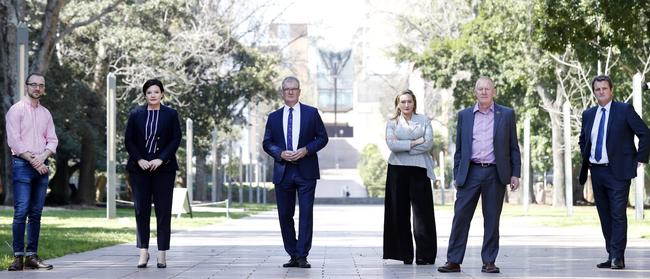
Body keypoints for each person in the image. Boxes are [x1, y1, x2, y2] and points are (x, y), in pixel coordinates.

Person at [438, 76, 520, 274]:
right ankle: (454, 260)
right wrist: (457, 174)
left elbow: (513, 146)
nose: (484, 92)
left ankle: (489, 261)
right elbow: (459, 149)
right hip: (470, 172)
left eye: (487, 88)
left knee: (492, 219)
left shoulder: (506, 114)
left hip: (495, 173)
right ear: (475, 92)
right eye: (480, 89)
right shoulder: (464, 115)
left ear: (494, 92)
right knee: (460, 217)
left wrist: (515, 173)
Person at [578, 75, 650, 270]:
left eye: (604, 88)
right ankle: (612, 254)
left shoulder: (624, 110)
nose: (601, 92)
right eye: (597, 89)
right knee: (605, 215)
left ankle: (617, 257)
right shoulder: (589, 114)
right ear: (594, 92)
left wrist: (639, 159)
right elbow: (583, 139)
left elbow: (645, 133)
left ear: (611, 90)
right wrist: (588, 157)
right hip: (597, 172)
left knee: (617, 214)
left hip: (618, 172)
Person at [262, 76, 328, 268]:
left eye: (294, 89)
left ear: (299, 92)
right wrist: (280, 153)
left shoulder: (311, 113)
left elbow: (322, 138)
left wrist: (306, 150)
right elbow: (267, 143)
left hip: (306, 170)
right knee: (285, 215)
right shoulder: (273, 117)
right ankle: (292, 253)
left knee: (306, 214)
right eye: (287, 89)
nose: (290, 92)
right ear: (282, 93)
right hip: (283, 171)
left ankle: (302, 255)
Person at [124, 78, 182, 268]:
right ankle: (143, 252)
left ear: (162, 94)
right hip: (139, 169)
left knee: (163, 211)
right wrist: (140, 159)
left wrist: (161, 158)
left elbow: (175, 139)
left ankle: (162, 254)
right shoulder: (136, 114)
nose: (153, 95)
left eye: (156, 92)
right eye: (149, 92)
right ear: (145, 95)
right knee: (142, 210)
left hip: (164, 169)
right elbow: (129, 140)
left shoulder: (171, 114)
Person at [6, 73, 58, 271]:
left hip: (41, 166)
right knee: (21, 212)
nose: (37, 88)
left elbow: (52, 140)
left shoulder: (46, 113)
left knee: (36, 213)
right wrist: (34, 161)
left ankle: (32, 257)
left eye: (41, 85)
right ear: (26, 86)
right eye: (34, 84)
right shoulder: (15, 110)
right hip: (22, 164)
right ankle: (18, 257)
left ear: (44, 89)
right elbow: (14, 141)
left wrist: (42, 158)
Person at [383, 89, 437, 265]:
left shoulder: (424, 120)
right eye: (403, 102)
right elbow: (391, 145)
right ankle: (403, 254)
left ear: (414, 103)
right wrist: (414, 142)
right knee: (398, 212)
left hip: (419, 169)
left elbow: (428, 143)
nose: (406, 105)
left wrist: (404, 145)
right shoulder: (392, 123)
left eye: (409, 102)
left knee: (423, 214)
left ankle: (425, 255)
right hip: (397, 170)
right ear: (398, 104)